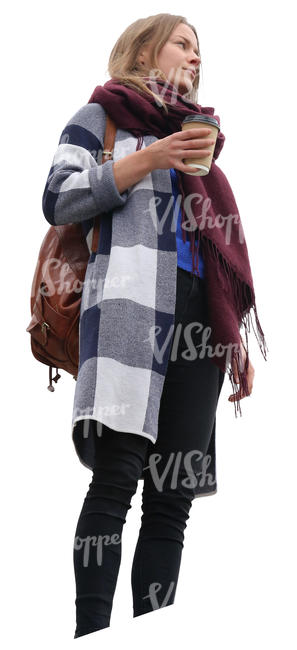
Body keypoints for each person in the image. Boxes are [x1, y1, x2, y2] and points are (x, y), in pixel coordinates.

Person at [42, 13, 266, 639]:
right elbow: (57, 197)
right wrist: (149, 160)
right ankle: (92, 634)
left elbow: (215, 258)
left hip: (200, 324)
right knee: (117, 476)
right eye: (183, 43)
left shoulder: (200, 144)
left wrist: (235, 342)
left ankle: (153, 636)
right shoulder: (102, 116)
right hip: (128, 313)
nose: (196, 57)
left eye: (201, 50)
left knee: (172, 499)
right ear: (145, 51)